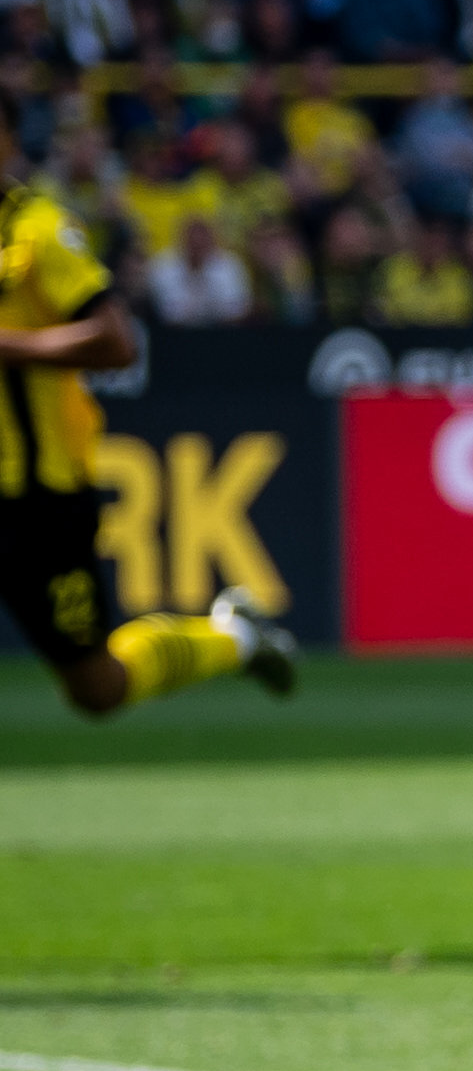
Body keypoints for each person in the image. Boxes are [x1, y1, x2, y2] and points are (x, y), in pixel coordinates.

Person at [1, 174, 294, 716]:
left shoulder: (36, 231)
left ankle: (235, 640)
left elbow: (116, 341)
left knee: (97, 688)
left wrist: (10, 347)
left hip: (36, 501)